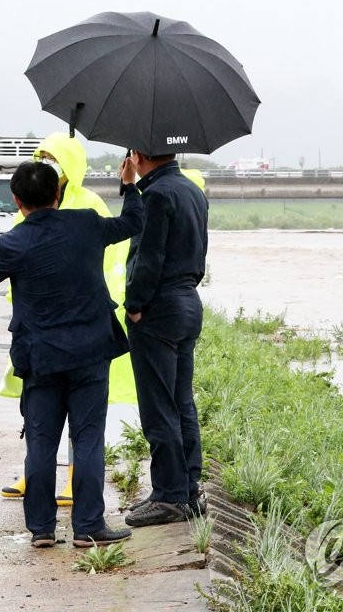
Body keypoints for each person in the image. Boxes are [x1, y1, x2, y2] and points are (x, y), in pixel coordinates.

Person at [0, 160, 143, 548]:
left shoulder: (14, 241)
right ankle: (87, 527)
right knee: (87, 440)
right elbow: (133, 222)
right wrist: (128, 185)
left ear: (17, 201)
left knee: (41, 443)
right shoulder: (87, 223)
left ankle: (42, 530)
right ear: (57, 193)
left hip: (41, 358)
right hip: (89, 354)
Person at [0, 134, 137, 505]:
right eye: (40, 156)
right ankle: (38, 482)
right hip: (38, 331)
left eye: (52, 157)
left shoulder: (90, 206)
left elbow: (111, 258)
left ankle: (72, 483)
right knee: (40, 418)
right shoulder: (29, 204)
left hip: (79, 327)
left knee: (84, 424)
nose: (45, 162)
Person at [123, 150, 209, 528]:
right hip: (189, 301)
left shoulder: (157, 195)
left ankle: (169, 496)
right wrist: (130, 187)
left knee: (158, 405)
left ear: (138, 154)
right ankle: (187, 490)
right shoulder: (192, 190)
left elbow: (149, 255)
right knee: (181, 401)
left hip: (159, 306)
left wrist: (135, 303)